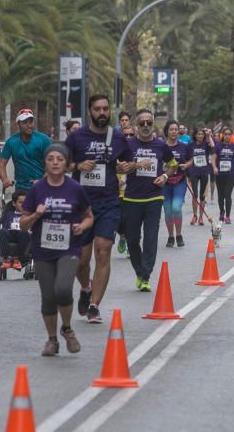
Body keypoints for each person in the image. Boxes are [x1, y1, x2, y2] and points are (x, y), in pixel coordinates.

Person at [20, 144, 92, 355]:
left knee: (62, 288)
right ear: (45, 162)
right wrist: (35, 215)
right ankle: (52, 340)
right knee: (48, 296)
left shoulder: (75, 188)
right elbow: (23, 223)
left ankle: (67, 328)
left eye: (59, 159)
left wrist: (82, 226)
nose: (55, 163)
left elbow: (89, 216)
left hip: (68, 248)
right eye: (50, 159)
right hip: (42, 250)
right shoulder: (37, 189)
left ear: (67, 164)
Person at [64, 95, 128, 324]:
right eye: (97, 109)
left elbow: (128, 164)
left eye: (105, 109)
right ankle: (85, 287)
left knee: (103, 250)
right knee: (81, 260)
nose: (102, 112)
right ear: (89, 111)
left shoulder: (118, 138)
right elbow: (59, 164)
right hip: (81, 205)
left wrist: (125, 166)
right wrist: (77, 166)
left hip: (109, 202)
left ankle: (94, 306)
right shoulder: (76, 137)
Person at [118, 110, 177, 291]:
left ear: (153, 125)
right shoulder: (127, 144)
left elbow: (173, 165)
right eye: (142, 123)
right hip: (132, 198)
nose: (145, 126)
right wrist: (135, 165)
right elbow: (119, 166)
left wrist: (165, 177)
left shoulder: (161, 146)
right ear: (136, 126)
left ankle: (145, 275)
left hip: (154, 197)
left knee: (151, 238)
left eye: (148, 123)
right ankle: (140, 271)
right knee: (133, 239)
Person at [0, 109, 51, 191]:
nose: (29, 125)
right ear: (18, 124)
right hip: (20, 188)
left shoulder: (44, 140)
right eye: (25, 123)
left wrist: (43, 181)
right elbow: (1, 164)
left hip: (42, 187)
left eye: (31, 122)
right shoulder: (11, 141)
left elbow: (51, 164)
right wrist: (5, 180)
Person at [162, 120, 192, 247]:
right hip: (165, 183)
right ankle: (170, 236)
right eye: (171, 129)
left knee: (176, 207)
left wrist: (186, 165)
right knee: (168, 211)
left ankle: (179, 235)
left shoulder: (184, 146)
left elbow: (191, 159)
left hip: (179, 181)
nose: (174, 132)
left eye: (176, 129)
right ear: (167, 132)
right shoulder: (161, 146)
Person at [212, 126, 234, 224]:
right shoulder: (218, 146)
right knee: (220, 195)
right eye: (225, 134)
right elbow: (214, 158)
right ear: (222, 135)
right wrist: (214, 167)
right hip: (220, 174)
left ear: (231, 136)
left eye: (229, 134)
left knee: (227, 194)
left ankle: (227, 216)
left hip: (231, 174)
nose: (227, 136)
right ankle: (221, 212)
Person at [0, 189, 31, 269]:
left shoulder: (30, 215)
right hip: (11, 234)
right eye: (20, 203)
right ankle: (7, 257)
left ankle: (18, 258)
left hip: (24, 235)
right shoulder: (9, 214)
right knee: (2, 232)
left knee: (24, 232)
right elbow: (4, 227)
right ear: (14, 203)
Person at [187, 128, 214, 223]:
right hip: (194, 172)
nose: (200, 136)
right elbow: (187, 159)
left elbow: (213, 146)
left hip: (204, 172)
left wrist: (209, 135)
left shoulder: (206, 145)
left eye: (202, 134)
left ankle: (201, 217)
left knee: (202, 196)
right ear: (195, 135)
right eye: (198, 134)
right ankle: (195, 215)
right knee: (195, 194)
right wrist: (187, 174)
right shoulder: (191, 146)